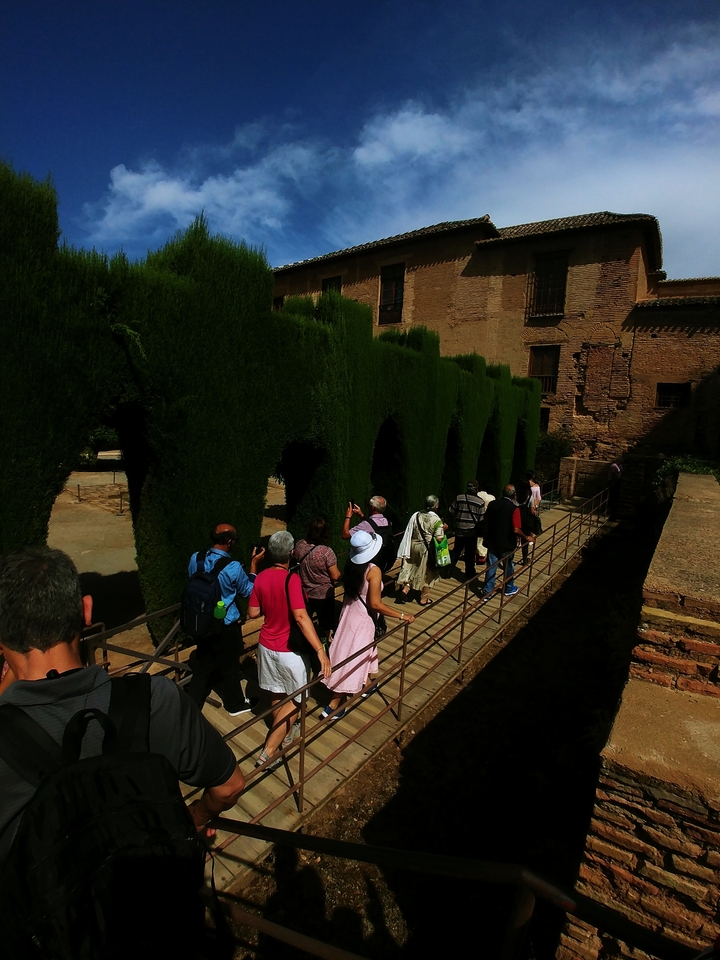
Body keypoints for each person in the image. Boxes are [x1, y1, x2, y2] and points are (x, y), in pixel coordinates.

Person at [0, 547, 246, 956]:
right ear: (85, 610)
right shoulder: (156, 700)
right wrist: (196, 818)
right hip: (152, 926)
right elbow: (230, 785)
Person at [247, 531, 331, 768]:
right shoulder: (291, 580)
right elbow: (302, 617)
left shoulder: (261, 578)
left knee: (276, 693)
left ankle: (285, 730)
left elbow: (253, 613)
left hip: (265, 646)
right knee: (296, 700)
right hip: (289, 651)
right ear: (291, 554)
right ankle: (269, 751)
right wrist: (320, 651)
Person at [321, 530, 414, 719]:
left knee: (356, 649)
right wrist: (402, 615)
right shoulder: (374, 570)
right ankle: (334, 704)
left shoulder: (351, 566)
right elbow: (375, 604)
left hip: (348, 614)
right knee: (353, 656)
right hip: (364, 619)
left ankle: (367, 683)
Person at [185, 523, 263, 716]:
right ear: (229, 541)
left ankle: (189, 709)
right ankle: (235, 704)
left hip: (201, 623)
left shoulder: (196, 558)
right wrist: (253, 567)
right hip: (225, 626)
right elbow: (248, 592)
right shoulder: (233, 567)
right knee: (230, 667)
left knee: (203, 666)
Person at [481, 484, 535, 600]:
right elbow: (516, 529)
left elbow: (487, 521)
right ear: (514, 495)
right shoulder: (514, 509)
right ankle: (509, 588)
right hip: (507, 544)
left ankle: (487, 592)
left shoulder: (492, 505)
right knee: (508, 567)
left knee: (491, 566)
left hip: (492, 541)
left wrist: (485, 537)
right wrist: (526, 537)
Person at [292, 518, 342, 643]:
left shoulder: (299, 545)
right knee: (325, 623)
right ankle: (325, 642)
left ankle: (308, 641)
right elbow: (335, 576)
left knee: (306, 621)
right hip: (324, 595)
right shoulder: (327, 552)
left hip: (304, 593)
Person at [396, 495, 447, 606]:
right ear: (436, 506)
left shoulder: (416, 515)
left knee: (412, 568)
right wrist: (444, 529)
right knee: (427, 574)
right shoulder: (436, 520)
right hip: (425, 549)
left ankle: (405, 590)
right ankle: (424, 599)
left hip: (413, 546)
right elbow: (439, 538)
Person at [342, 496, 396, 574]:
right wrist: (362, 516)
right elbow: (373, 526)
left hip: (372, 563)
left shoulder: (366, 525)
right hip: (386, 561)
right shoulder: (388, 522)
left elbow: (345, 535)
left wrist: (348, 516)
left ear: (372, 508)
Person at [449, 480, 486, 579]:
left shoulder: (459, 497)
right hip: (472, 532)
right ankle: (469, 574)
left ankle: (448, 571)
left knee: (456, 550)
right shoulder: (480, 502)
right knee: (470, 553)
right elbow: (482, 519)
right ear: (477, 489)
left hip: (459, 529)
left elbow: (451, 511)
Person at [475, 486, 496, 565]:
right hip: (486, 520)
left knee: (478, 540)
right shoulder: (491, 498)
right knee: (482, 540)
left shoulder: (478, 495)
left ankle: (478, 555)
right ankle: (483, 556)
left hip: (477, 519)